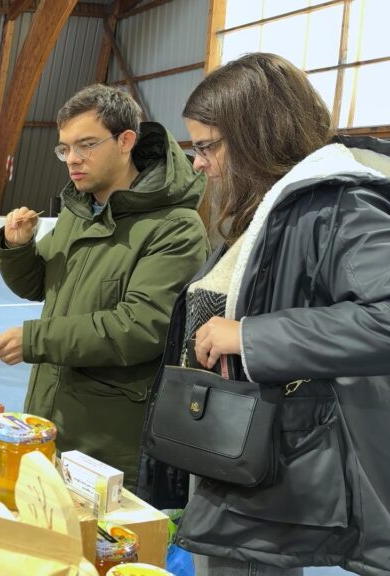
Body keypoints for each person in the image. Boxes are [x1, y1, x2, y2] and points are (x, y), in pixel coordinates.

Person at [138, 52, 390, 575]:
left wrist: (251, 336)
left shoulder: (341, 204)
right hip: (237, 452)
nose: (198, 163)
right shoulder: (273, 208)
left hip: (273, 468)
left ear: (258, 134)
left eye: (207, 146)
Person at [0, 84, 209, 484]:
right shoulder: (80, 210)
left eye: (85, 145)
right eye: (65, 148)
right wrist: (17, 248)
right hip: (53, 411)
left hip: (108, 435)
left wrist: (36, 340)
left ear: (126, 141)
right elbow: (39, 284)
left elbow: (141, 326)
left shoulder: (175, 227)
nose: (72, 159)